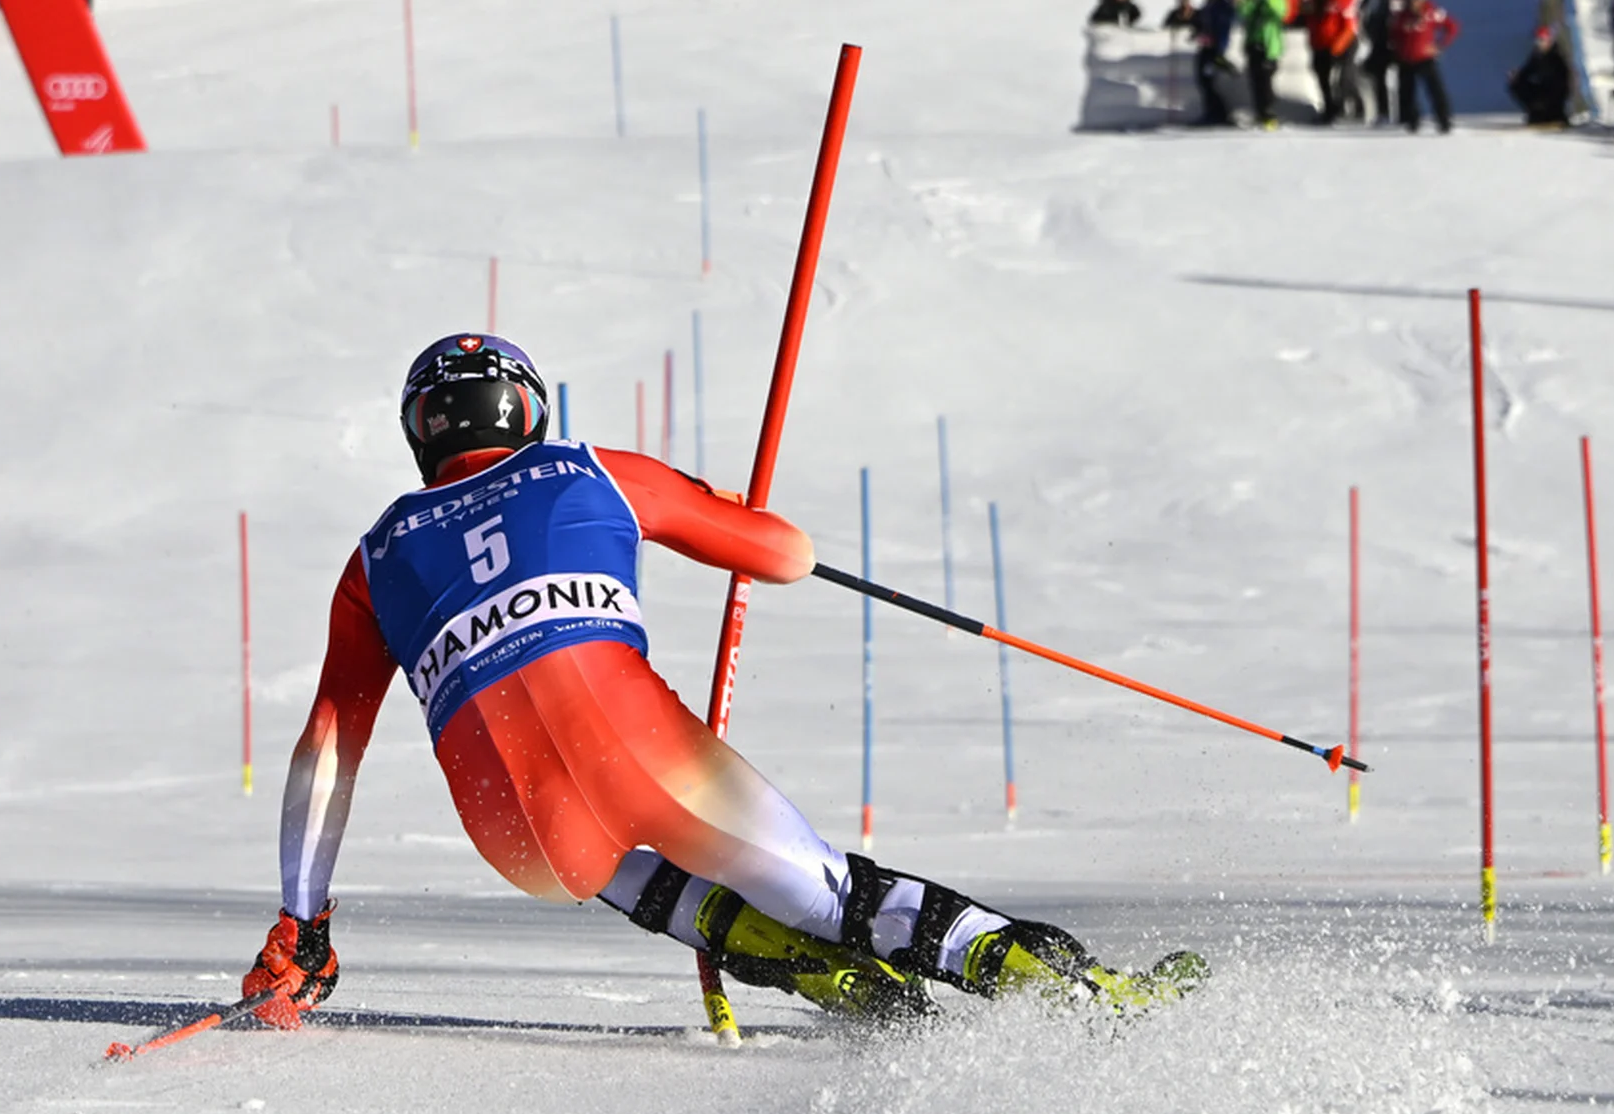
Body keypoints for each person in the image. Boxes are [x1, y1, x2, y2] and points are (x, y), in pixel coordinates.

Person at [242, 336, 1206, 1033]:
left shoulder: (375, 555)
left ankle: (824, 977)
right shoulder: (590, 469)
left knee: (626, 860)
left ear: (422, 434)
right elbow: (786, 555)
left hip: (517, 835)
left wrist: (304, 923)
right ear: (531, 411)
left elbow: (329, 745)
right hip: (640, 752)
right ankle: (1085, 995)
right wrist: (719, 508)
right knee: (835, 892)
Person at [1392, 0, 1459, 133]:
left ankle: (1443, 120)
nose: (1415, 3)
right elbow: (1394, 33)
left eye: (1418, 0)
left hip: (1425, 59)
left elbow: (1452, 26)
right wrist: (1397, 50)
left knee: (1436, 90)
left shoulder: (1432, 12)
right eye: (1412, 0)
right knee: (1406, 92)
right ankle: (1411, 121)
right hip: (1406, 60)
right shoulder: (1402, 15)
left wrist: (1439, 45)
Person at [1300, 0, 1359, 124]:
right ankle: (1329, 110)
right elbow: (1303, 20)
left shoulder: (1340, 2)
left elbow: (1348, 29)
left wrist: (1336, 48)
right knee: (1323, 80)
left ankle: (1348, 107)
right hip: (1320, 47)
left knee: (1343, 79)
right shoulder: (1312, 3)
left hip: (1341, 46)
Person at [1239, 0, 1288, 129]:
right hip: (1254, 45)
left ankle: (1269, 113)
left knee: (1266, 81)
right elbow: (1242, 12)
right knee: (1255, 82)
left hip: (1269, 48)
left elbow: (1280, 12)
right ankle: (1260, 113)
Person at [1507, 25, 1574, 127]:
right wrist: (1516, 77)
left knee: (1551, 94)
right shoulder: (1536, 57)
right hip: (1542, 93)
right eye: (1538, 41)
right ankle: (1536, 113)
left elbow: (1562, 84)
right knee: (1517, 84)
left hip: (1554, 96)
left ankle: (1553, 115)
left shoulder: (1556, 58)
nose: (1539, 44)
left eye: (1542, 40)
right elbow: (1526, 73)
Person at [1192, 0, 1239, 127]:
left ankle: (1219, 113)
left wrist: (1218, 47)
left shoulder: (1221, 7)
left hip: (1215, 50)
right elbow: (1201, 23)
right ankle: (1212, 112)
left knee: (1209, 82)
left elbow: (1222, 28)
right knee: (1204, 81)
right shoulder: (1208, 7)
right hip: (1206, 49)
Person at [1356, 0, 1398, 124]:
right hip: (1378, 42)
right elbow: (1361, 14)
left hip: (1396, 42)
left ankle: (1405, 113)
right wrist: (1365, 34)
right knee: (1378, 79)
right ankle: (1383, 112)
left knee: (1403, 79)